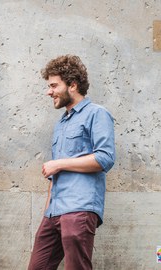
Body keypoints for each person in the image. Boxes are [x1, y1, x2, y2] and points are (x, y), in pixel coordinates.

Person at [28, 55, 115, 270]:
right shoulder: (61, 124)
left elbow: (105, 158)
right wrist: (47, 212)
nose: (49, 91)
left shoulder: (97, 113)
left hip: (79, 208)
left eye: (54, 85)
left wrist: (59, 164)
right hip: (53, 212)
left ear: (73, 85)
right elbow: (55, 174)